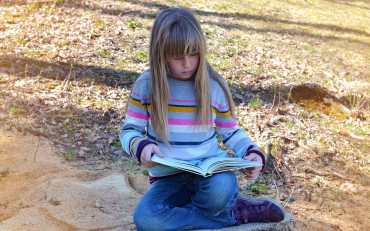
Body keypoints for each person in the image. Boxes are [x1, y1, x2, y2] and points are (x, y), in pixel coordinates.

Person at [120, 7, 285, 231]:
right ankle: (232, 214)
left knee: (221, 190)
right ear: (161, 53)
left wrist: (251, 152)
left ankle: (201, 212)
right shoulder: (147, 85)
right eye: (178, 56)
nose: (187, 64)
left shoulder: (213, 85)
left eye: (194, 53)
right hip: (168, 181)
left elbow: (231, 131)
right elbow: (129, 130)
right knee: (146, 220)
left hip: (210, 174)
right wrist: (141, 147)